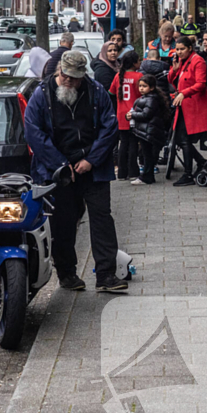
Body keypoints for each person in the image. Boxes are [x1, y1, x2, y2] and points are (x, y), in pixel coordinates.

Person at [24, 51, 126, 292]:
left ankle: (106, 275)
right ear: (59, 70)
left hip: (92, 167)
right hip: (59, 169)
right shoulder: (42, 94)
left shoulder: (96, 91)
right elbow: (33, 132)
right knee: (63, 222)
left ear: (83, 76)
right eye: (64, 76)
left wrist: (91, 159)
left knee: (102, 218)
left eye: (74, 78)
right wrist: (60, 164)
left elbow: (110, 128)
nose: (67, 81)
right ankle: (67, 273)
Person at [168, 36, 207, 186]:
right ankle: (201, 162)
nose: (179, 52)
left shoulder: (197, 61)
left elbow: (201, 83)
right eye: (177, 49)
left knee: (184, 138)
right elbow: (171, 80)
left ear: (190, 48)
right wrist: (174, 69)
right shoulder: (183, 61)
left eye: (182, 49)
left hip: (193, 105)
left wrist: (184, 93)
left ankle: (189, 173)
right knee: (181, 138)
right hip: (184, 105)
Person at [129, 74, 170, 185]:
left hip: (149, 131)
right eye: (140, 86)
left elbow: (146, 114)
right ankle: (148, 176)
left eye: (144, 86)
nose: (141, 88)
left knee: (148, 155)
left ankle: (146, 177)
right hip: (146, 131)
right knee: (147, 155)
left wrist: (132, 115)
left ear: (151, 88)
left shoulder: (151, 99)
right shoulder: (148, 98)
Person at [109, 51, 142, 180]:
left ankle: (122, 173)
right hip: (134, 114)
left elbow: (111, 92)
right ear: (134, 63)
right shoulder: (139, 76)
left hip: (121, 114)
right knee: (133, 143)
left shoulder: (118, 76)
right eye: (139, 60)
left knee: (123, 143)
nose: (140, 62)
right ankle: (133, 172)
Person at [91, 41, 120, 109]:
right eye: (110, 51)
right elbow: (107, 90)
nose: (113, 53)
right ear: (104, 53)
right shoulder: (102, 70)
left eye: (115, 50)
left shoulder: (117, 64)